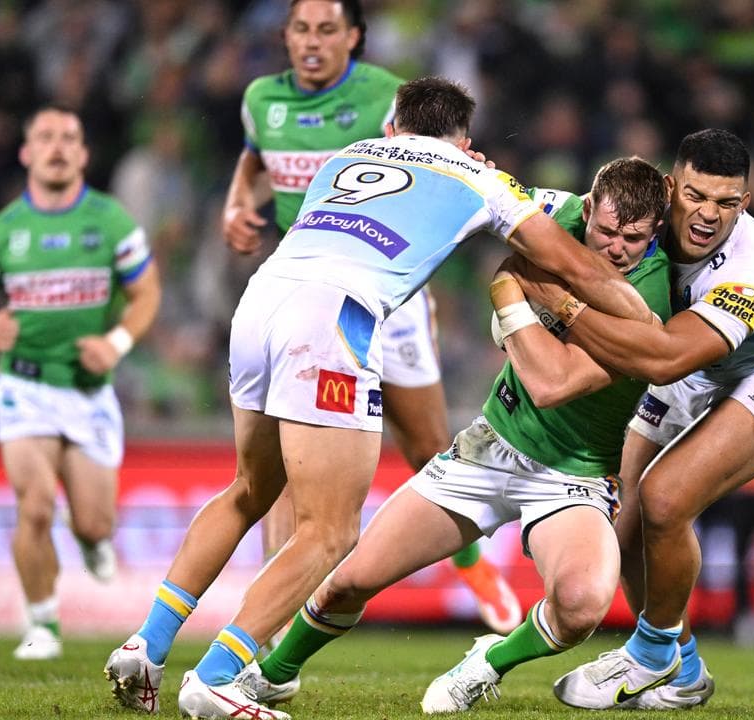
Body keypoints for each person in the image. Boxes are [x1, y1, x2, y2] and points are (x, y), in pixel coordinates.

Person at [104, 77, 654, 718]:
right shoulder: (477, 176)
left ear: (394, 129)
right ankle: (221, 676)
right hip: (334, 321)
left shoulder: (347, 156)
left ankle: (147, 644)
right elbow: (584, 266)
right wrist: (647, 325)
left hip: (260, 303)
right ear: (467, 140)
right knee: (331, 531)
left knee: (249, 489)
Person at [224, 157, 671, 715]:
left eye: (634, 238)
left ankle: (487, 662)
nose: (616, 248)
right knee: (347, 582)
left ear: (657, 229)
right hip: (489, 449)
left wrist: (512, 292)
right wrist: (467, 163)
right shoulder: (565, 212)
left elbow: (551, 382)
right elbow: (478, 194)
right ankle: (272, 674)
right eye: (605, 230)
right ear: (590, 207)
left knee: (582, 607)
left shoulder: (658, 298)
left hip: (573, 476)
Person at [222, 0, 519, 635]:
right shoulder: (259, 100)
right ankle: (269, 625)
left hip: (391, 290)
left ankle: (470, 563)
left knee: (425, 446)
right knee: (282, 470)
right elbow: (255, 158)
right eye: (301, 28)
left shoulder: (388, 96)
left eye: (327, 29)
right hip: (302, 287)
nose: (312, 41)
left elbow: (443, 164)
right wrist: (235, 203)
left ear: (354, 38)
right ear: (285, 36)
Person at [511, 129, 754, 710]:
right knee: (623, 520)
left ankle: (650, 652)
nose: (708, 215)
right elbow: (514, 201)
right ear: (668, 187)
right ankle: (683, 670)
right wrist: (454, 162)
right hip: (699, 371)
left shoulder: (748, 268)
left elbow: (663, 360)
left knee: (665, 498)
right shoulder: (638, 215)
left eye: (727, 203)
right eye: (696, 196)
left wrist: (560, 305)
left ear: (746, 204)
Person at [0, 106, 160, 660]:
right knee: (35, 505)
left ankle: (91, 539)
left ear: (84, 154)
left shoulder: (112, 222)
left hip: (89, 390)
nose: (57, 146)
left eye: (69, 137)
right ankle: (42, 624)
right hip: (24, 385)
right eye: (45, 137)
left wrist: (114, 344)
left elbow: (147, 294)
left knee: (94, 522)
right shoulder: (2, 231)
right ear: (26, 153)